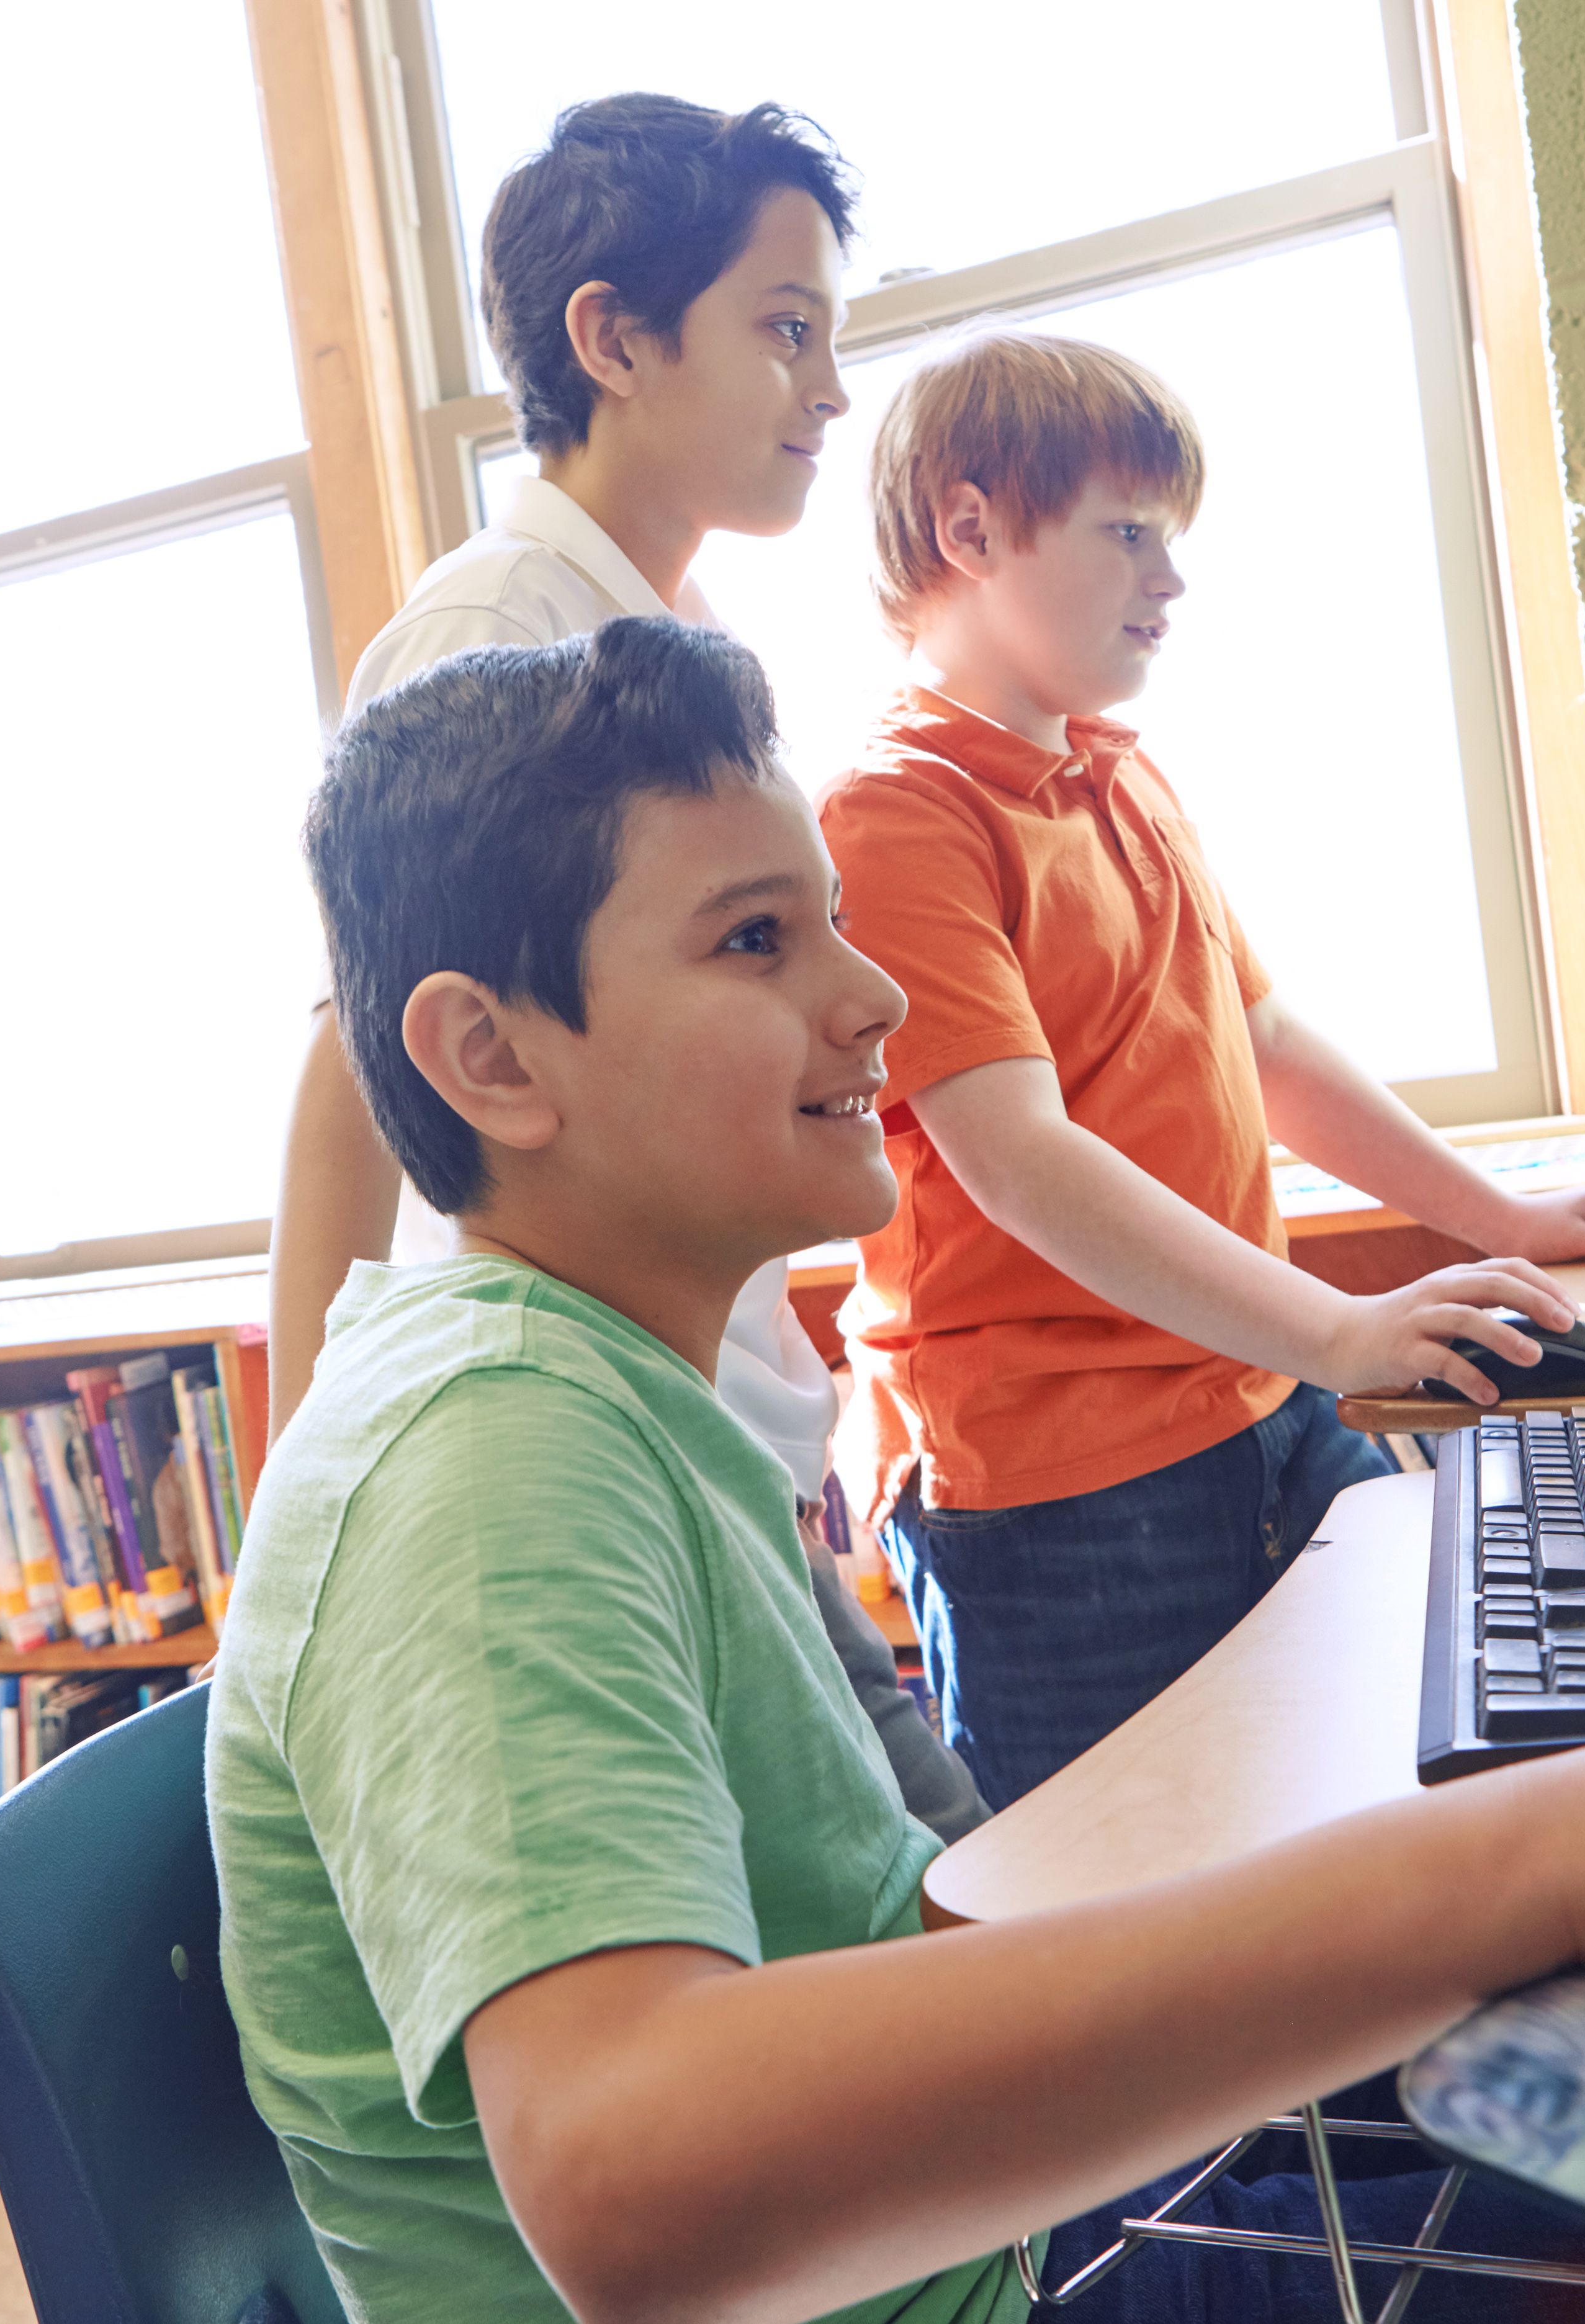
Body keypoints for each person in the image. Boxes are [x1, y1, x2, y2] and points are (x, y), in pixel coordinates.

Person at [210, 614, 1585, 2324]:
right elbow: (632, 2184)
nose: (871, 996)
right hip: (999, 2280)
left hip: (987, 2253)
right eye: (754, 940)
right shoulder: (480, 1459)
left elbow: (935, 1919)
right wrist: (1554, 1850)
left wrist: (1573, 1822)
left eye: (831, 922)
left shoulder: (602, 1401)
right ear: (489, 1055)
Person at [815, 331, 1585, 1806]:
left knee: (1406, 1795)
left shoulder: (1120, 774)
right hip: (1066, 1497)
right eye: (1126, 532)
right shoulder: (896, 816)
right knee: (1136, 1902)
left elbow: (1264, 1045)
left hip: (1267, 1403)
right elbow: (1019, 1159)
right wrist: (1342, 1332)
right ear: (969, 529)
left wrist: (1502, 1220)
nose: (1168, 578)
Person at [262, 94, 984, 1839]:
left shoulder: (673, 633)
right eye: (785, 329)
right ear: (614, 340)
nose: (830, 390)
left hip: (716, 1427)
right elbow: (356, 1077)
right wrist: (306, 1509)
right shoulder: (494, 631)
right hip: (603, 1447)